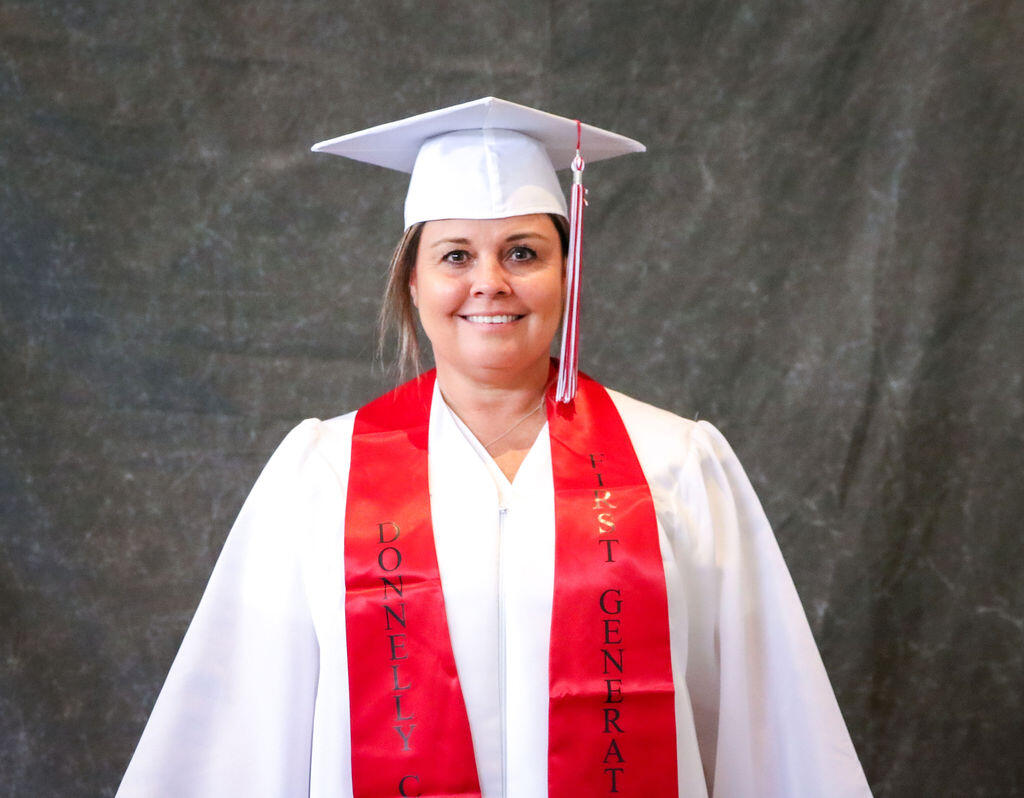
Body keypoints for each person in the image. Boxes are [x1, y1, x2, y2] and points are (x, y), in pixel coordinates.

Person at [116, 97, 873, 798]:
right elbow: (243, 732)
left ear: (566, 274)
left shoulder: (674, 466)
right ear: (412, 282)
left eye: (522, 253)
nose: (490, 283)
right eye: (455, 256)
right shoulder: (323, 475)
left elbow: (763, 727)